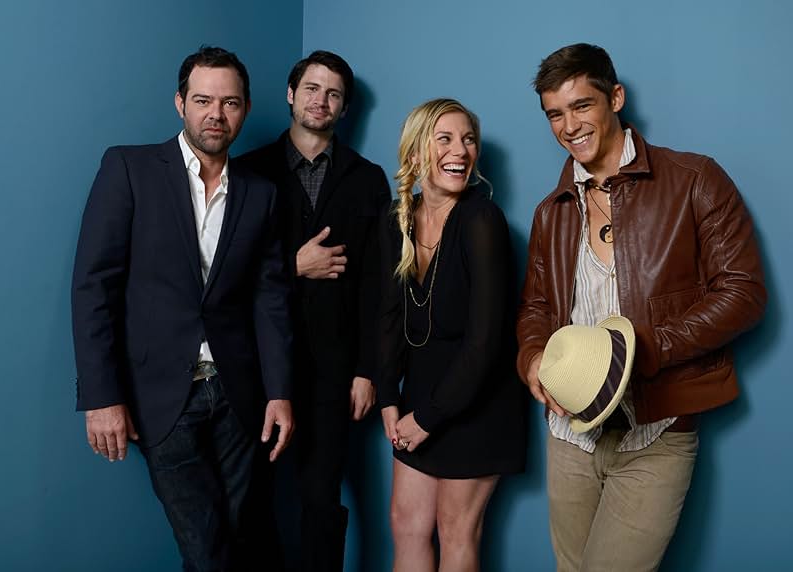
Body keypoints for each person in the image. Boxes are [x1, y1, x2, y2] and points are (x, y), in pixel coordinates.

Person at [517, 43, 766, 571]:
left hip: (656, 430)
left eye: (581, 106)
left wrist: (639, 352)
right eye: (554, 114)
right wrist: (532, 359)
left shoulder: (694, 180)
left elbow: (744, 292)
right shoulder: (551, 212)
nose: (569, 125)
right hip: (570, 435)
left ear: (616, 98)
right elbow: (536, 307)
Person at [72, 46, 293, 571]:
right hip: (161, 396)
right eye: (203, 100)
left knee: (235, 540)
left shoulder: (260, 194)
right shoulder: (129, 168)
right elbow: (93, 287)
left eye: (230, 103)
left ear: (244, 108)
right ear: (180, 103)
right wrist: (102, 396)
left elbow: (271, 299)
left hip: (241, 396)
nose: (216, 114)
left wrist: (280, 392)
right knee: (206, 545)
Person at [239, 50, 390, 571]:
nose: (320, 100)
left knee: (322, 500)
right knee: (252, 499)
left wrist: (368, 370)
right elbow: (221, 273)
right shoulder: (247, 172)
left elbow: (377, 286)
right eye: (311, 88)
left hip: (334, 371)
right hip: (255, 369)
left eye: (332, 94)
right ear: (290, 93)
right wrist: (292, 265)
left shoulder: (367, 179)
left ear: (344, 108)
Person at [378, 98, 527, 571]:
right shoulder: (398, 219)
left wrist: (427, 418)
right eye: (444, 138)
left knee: (455, 528)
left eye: (468, 139)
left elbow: (486, 340)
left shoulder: (481, 220)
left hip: (477, 400)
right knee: (405, 522)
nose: (460, 150)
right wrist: (388, 397)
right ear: (417, 152)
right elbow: (387, 320)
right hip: (420, 395)